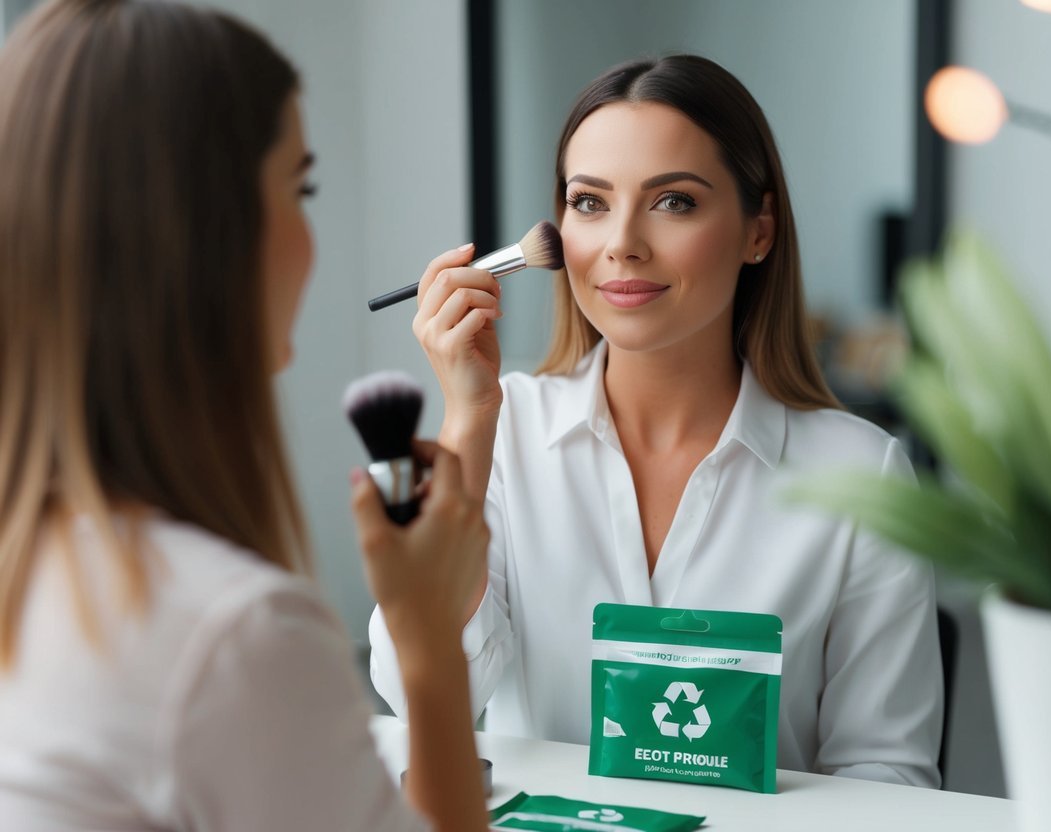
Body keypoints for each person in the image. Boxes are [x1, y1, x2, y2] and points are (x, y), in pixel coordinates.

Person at [370, 54, 944, 787]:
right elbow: (418, 696)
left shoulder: (863, 478)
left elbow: (888, 780)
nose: (622, 243)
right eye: (589, 202)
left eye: (673, 201)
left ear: (757, 230)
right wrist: (468, 423)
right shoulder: (501, 437)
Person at [0, 1, 488, 829]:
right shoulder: (232, 640)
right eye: (300, 187)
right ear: (203, 236)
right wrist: (429, 637)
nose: (311, 235)